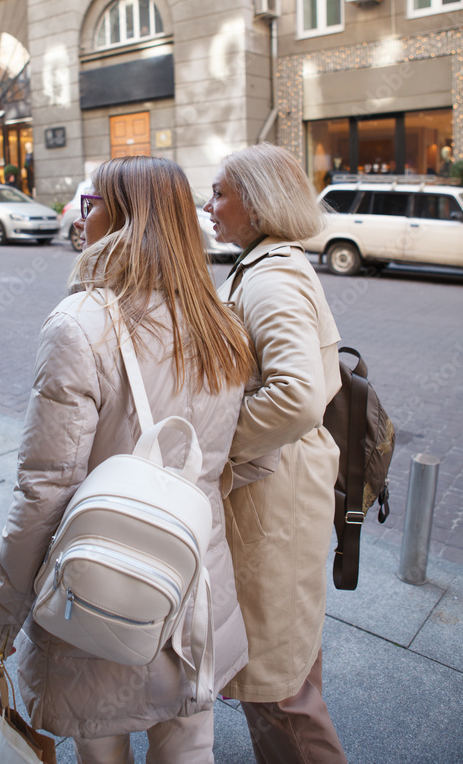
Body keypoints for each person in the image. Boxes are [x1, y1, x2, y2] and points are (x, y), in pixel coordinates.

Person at [0, 155, 259, 764]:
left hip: (101, 593)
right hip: (196, 581)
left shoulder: (82, 324)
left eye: (92, 203)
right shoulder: (223, 325)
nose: (82, 217)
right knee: (189, 746)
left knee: (102, 747)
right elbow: (234, 461)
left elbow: (45, 491)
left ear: (127, 217)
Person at [204, 143, 348, 764]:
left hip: (275, 493)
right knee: (286, 654)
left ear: (256, 203)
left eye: (220, 193)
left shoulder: (273, 277)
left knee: (275, 685)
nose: (209, 207)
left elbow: (296, 397)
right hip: (280, 488)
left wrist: (216, 446)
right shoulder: (262, 266)